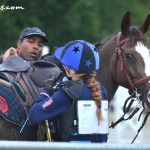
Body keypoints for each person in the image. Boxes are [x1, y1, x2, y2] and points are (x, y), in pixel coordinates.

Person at [28, 40, 109, 143]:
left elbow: (34, 114)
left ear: (72, 70)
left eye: (64, 64)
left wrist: (46, 90)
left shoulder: (67, 92)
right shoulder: (102, 91)